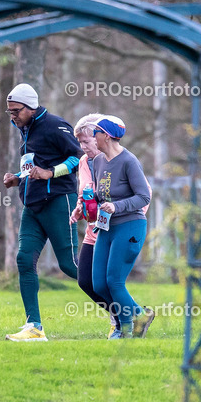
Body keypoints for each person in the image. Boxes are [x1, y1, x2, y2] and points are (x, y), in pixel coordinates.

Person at [1, 83, 82, 342]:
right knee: (24, 260)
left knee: (69, 265)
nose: (12, 116)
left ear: (31, 107)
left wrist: (51, 173)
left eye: (16, 111)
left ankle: (127, 311)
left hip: (58, 201)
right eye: (9, 111)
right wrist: (18, 178)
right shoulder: (25, 129)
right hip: (32, 205)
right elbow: (35, 166)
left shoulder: (55, 126)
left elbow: (77, 158)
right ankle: (34, 327)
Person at [88, 116, 155, 339]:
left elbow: (143, 197)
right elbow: (101, 195)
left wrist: (117, 206)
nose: (92, 137)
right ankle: (139, 315)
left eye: (95, 132)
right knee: (99, 284)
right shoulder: (98, 161)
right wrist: (86, 204)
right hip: (106, 227)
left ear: (106, 136)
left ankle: (126, 328)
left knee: (115, 282)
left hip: (130, 226)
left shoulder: (129, 161)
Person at [70, 113, 119, 338]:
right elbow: (85, 192)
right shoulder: (84, 162)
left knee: (107, 282)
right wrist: (79, 208)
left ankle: (122, 322)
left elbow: (143, 194)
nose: (83, 147)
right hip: (93, 231)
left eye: (86, 141)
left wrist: (123, 217)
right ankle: (129, 315)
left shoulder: (119, 160)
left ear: (100, 137)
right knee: (85, 281)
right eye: (79, 142)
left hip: (116, 231)